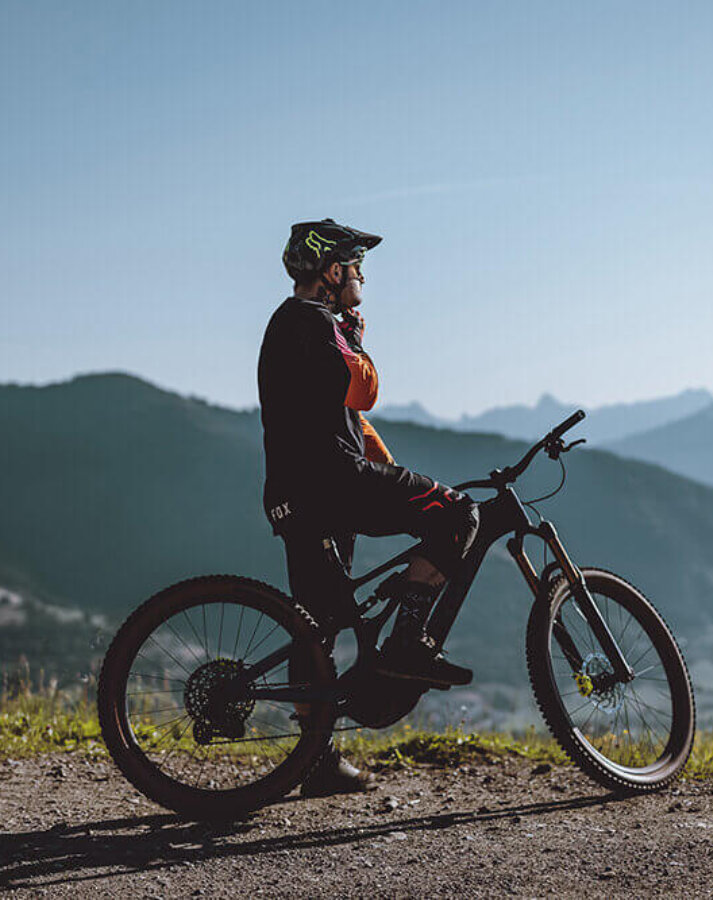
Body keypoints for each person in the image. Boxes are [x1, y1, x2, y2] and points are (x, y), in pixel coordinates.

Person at [257, 219, 479, 796]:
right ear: (333, 272)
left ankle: (315, 761)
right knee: (459, 516)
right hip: (332, 483)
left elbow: (351, 420)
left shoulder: (288, 325)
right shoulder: (315, 322)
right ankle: (408, 641)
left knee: (318, 624)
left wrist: (391, 472)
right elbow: (365, 391)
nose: (361, 277)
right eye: (356, 267)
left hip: (295, 494)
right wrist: (355, 335)